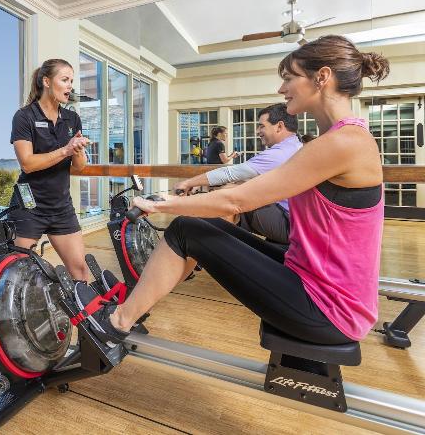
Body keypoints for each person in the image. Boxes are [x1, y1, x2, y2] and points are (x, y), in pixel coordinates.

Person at [76, 35, 389, 348]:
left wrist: (162, 204)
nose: (282, 89)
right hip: (312, 277)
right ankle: (133, 307)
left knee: (185, 230)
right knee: (199, 226)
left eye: (289, 78)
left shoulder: (343, 142)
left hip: (330, 307)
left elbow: (237, 200)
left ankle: (116, 323)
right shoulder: (337, 139)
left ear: (322, 77)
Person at [174, 103, 301, 244]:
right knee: (232, 191)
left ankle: (213, 248)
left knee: (228, 197)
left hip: (291, 225)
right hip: (295, 220)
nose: (257, 131)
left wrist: (188, 182)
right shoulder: (296, 145)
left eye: (262, 126)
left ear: (279, 126)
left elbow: (230, 172)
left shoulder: (279, 153)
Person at [10, 59, 90, 280]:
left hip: (61, 205)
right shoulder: (24, 116)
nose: (70, 86)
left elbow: (79, 166)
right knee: (19, 273)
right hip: (30, 206)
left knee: (80, 270)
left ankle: (80, 305)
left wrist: (78, 150)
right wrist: (66, 150)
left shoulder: (72, 118)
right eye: (64, 80)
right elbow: (28, 163)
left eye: (71, 81)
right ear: (46, 82)